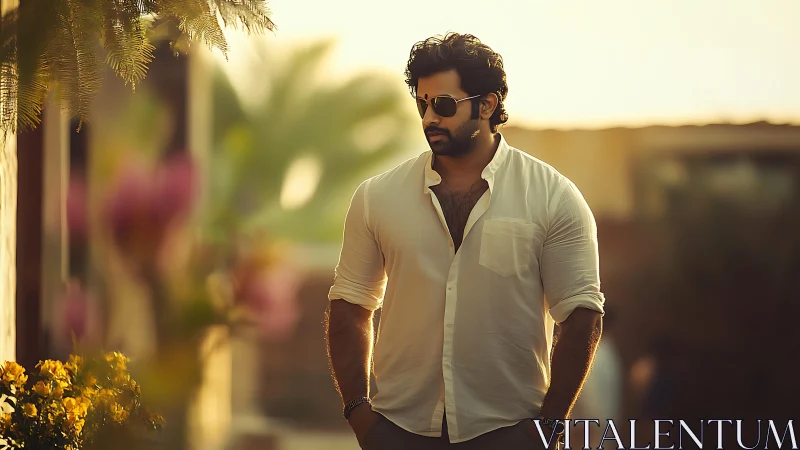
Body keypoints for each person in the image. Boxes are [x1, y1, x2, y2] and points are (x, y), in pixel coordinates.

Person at [325, 32, 605, 450]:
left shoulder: (553, 196)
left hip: (511, 432)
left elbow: (581, 318)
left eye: (443, 105)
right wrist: (360, 415)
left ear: (487, 104)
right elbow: (349, 307)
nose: (428, 119)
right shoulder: (376, 197)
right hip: (398, 431)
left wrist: (548, 428)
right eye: (422, 104)